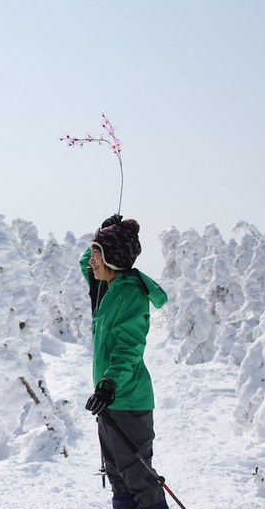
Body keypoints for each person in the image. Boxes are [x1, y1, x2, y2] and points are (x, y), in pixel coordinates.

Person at [80, 214, 169, 509]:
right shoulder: (108, 288)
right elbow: (85, 266)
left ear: (113, 259)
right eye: (93, 253)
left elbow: (129, 347)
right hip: (111, 399)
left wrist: (109, 384)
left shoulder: (129, 293)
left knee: (140, 480)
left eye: (97, 255)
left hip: (127, 400)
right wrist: (101, 233)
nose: (91, 262)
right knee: (118, 477)